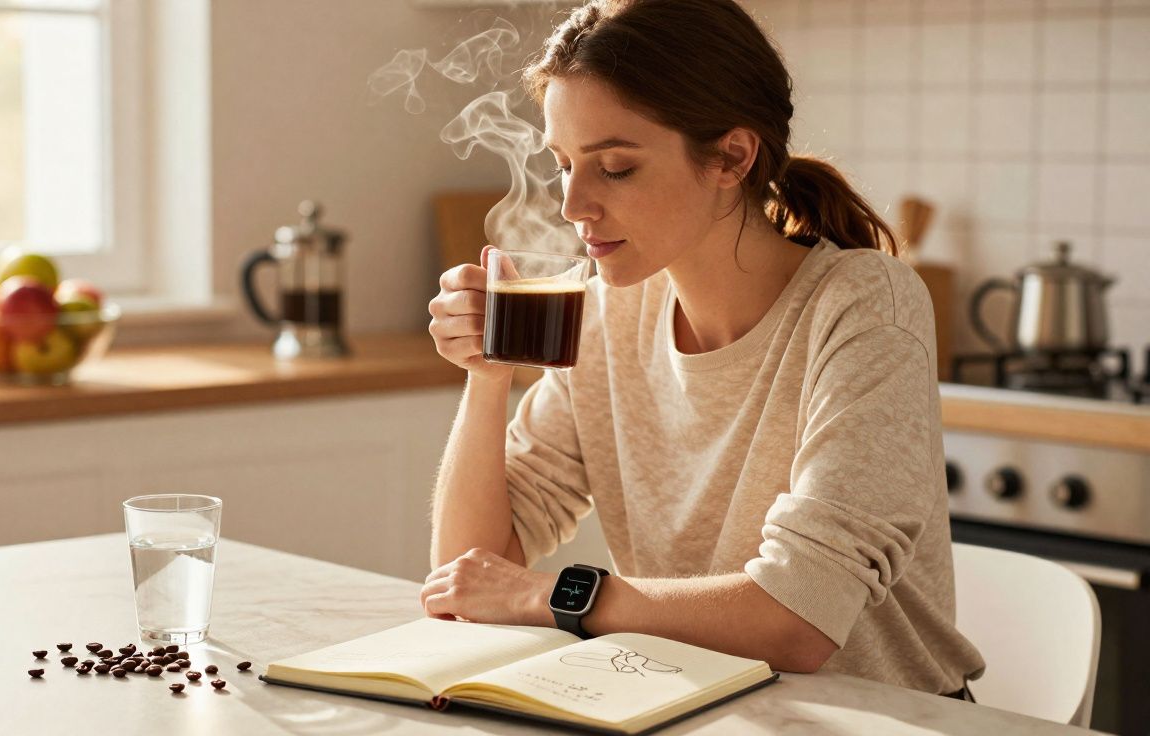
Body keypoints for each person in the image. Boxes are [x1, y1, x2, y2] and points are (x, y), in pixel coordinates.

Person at [421, 0, 985, 698]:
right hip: (699, 710)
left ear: (731, 156)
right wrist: (486, 376)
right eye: (563, 164)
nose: (573, 204)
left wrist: (552, 597)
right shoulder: (605, 309)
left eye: (616, 168)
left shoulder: (864, 305)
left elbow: (797, 620)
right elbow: (467, 575)